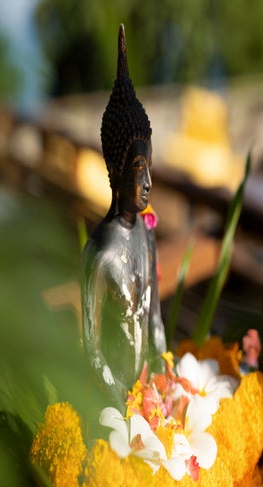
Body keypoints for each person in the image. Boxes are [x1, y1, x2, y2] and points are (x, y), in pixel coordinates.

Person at [81, 25, 166, 405]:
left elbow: (156, 321)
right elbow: (92, 349)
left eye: (149, 166)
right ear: (115, 170)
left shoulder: (147, 235)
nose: (147, 181)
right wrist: (121, 402)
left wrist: (167, 375)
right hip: (113, 403)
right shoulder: (99, 254)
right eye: (137, 167)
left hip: (148, 396)